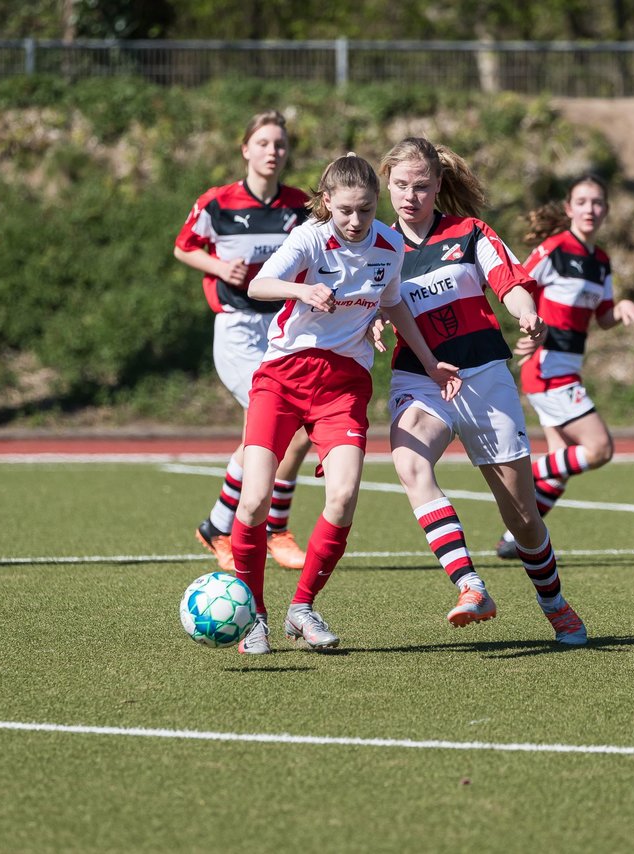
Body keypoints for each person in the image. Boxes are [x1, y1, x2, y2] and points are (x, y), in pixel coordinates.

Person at [230, 153, 460, 655]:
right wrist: (302, 289)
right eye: (345, 211)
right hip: (283, 376)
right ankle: (255, 618)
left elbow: (394, 302)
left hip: (344, 385)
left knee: (344, 494)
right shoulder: (310, 238)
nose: (356, 222)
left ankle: (302, 608)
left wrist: (432, 359)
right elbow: (257, 284)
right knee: (253, 501)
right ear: (327, 202)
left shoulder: (389, 244)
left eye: (365, 210)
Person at [378, 136, 588, 645]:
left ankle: (555, 604)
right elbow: (363, 302)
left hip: (484, 376)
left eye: (421, 186)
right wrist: (370, 325)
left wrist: (526, 312)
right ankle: (470, 586)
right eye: (401, 185)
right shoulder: (376, 247)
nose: (410, 196)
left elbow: (507, 280)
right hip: (422, 379)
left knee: (522, 520)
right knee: (409, 462)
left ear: (439, 186)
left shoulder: (469, 233)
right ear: (387, 183)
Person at [174, 110, 313, 571]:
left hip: (283, 329)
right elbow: (183, 246)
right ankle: (263, 529)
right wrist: (218, 268)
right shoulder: (218, 203)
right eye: (265, 143)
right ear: (246, 149)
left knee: (291, 433)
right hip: (236, 329)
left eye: (280, 145)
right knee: (272, 424)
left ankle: (226, 527)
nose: (273, 152)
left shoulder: (299, 206)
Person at [492, 175, 634, 559]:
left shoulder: (601, 262)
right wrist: (530, 324)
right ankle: (522, 475)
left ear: (606, 210)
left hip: (567, 369)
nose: (590, 209)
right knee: (598, 449)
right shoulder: (554, 249)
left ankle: (515, 541)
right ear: (569, 209)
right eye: (582, 202)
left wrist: (623, 307)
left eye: (597, 203)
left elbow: (603, 317)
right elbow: (513, 285)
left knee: (560, 466)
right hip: (548, 368)